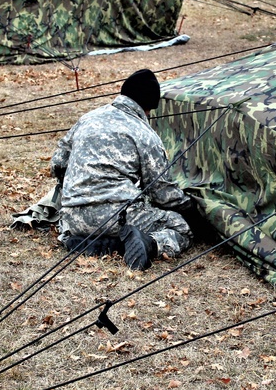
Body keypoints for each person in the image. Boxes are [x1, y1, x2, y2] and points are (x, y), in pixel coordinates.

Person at [51, 69, 194, 270]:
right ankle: (150, 244)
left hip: (72, 218)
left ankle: (101, 244)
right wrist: (191, 206)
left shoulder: (87, 118)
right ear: (148, 107)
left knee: (97, 223)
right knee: (180, 227)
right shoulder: (145, 135)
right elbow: (162, 193)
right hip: (116, 218)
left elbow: (57, 163)